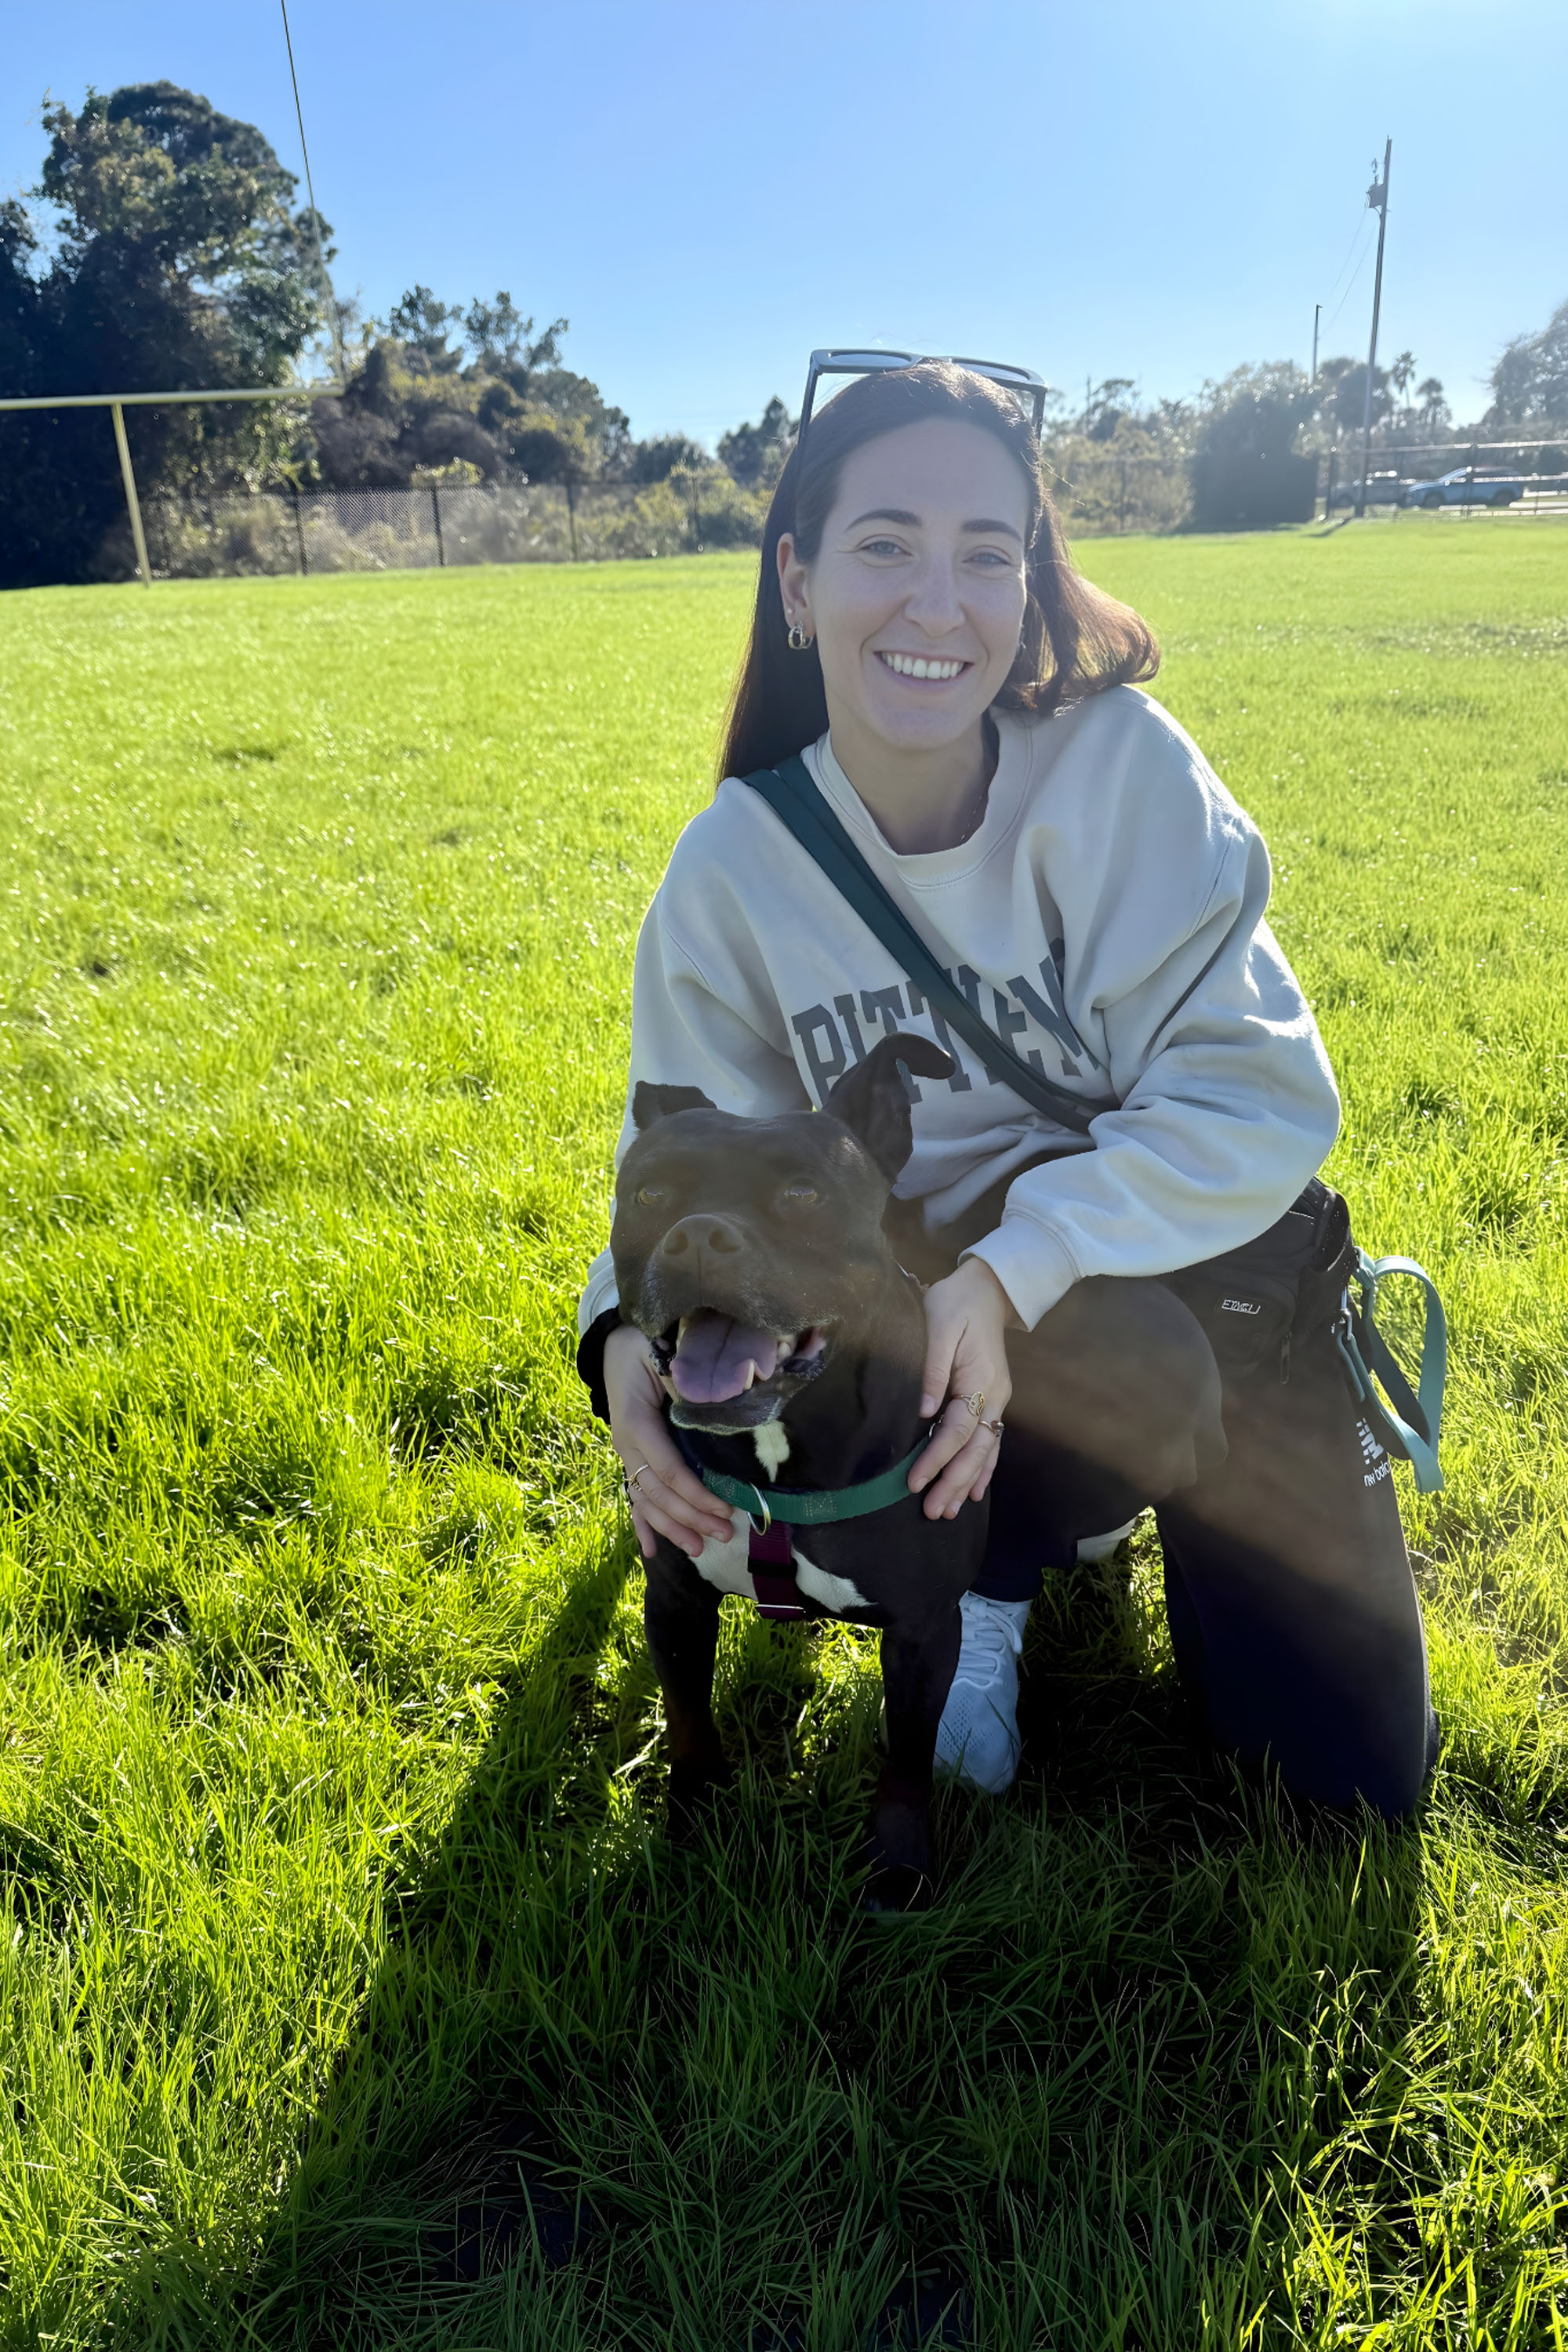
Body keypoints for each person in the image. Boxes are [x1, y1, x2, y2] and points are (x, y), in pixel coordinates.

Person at [576, 358, 1438, 1820]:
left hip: (1198, 1271)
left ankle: (1049, 1529)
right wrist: (616, 1350)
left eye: (989, 554)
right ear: (798, 578)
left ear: (1032, 585)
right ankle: (984, 1592)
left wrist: (1008, 1271)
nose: (939, 602)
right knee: (1003, 1348)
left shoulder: (1119, 772)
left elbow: (1261, 1092)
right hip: (911, 1315)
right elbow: (682, 1163)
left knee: (1343, 1787)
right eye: (885, 545)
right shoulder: (736, 866)